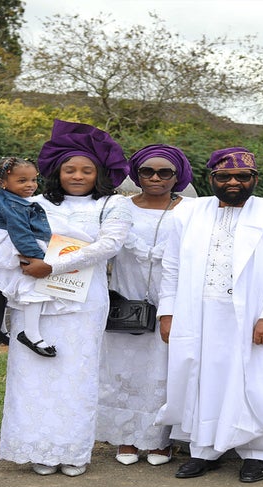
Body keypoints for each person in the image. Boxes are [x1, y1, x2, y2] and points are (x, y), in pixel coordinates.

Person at [158, 147, 263, 484]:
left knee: (250, 380)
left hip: (249, 314)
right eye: (224, 176)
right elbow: (171, 267)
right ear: (211, 178)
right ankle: (203, 450)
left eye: (242, 176)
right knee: (199, 377)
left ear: (255, 179)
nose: (233, 182)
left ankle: (255, 453)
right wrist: (167, 312)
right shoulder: (187, 213)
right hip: (196, 312)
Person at [0, 120, 131, 477]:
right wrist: (26, 260)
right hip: (36, 301)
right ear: (57, 171)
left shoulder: (113, 204)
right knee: (33, 374)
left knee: (77, 373)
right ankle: (37, 449)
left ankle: (72, 452)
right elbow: (8, 236)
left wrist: (52, 266)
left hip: (83, 302)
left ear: (99, 173)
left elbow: (109, 245)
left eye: (87, 170)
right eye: (70, 169)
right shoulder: (33, 202)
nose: (77, 176)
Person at [97, 144, 193, 467]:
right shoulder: (118, 208)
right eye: (147, 171)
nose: (155, 177)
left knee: (164, 368)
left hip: (171, 298)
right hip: (127, 297)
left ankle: (159, 440)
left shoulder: (190, 210)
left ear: (177, 176)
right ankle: (126, 437)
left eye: (165, 172)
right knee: (123, 369)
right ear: (136, 175)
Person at [0, 156, 55, 356]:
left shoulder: (4, 198)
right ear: (2, 182)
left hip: (10, 243)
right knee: (32, 288)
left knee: (13, 285)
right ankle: (31, 333)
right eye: (22, 181)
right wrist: (37, 256)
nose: (30, 185)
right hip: (16, 244)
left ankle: (1, 326)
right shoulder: (13, 205)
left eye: (33, 179)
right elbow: (20, 231)